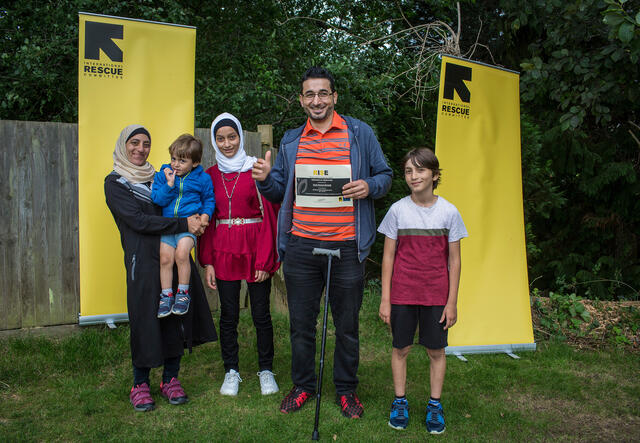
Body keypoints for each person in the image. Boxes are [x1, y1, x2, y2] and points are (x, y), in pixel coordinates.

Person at [252, 67, 392, 418]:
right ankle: (303, 386)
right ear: (301, 100)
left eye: (323, 94)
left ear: (334, 97)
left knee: (347, 325)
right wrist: (267, 179)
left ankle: (346, 390)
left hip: (347, 247)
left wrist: (369, 187)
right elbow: (279, 192)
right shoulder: (291, 140)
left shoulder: (360, 134)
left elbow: (385, 176)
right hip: (301, 246)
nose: (317, 100)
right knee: (301, 323)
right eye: (309, 95)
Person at [104, 124, 217, 412]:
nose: (140, 149)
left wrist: (198, 220)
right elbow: (139, 222)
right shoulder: (115, 183)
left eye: (145, 144)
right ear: (123, 145)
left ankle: (170, 378)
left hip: (175, 255)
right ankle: (140, 383)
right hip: (141, 260)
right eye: (134, 143)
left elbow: (189, 206)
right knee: (144, 319)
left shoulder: (163, 175)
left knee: (175, 318)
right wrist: (185, 223)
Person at [377, 147, 467, 433]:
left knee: (436, 351)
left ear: (435, 175)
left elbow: (455, 260)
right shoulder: (398, 210)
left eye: (420, 170)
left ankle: (434, 406)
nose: (413, 176)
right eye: (408, 171)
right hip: (403, 294)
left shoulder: (450, 212)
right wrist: (386, 299)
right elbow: (388, 257)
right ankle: (400, 401)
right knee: (400, 348)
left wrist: (451, 302)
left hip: (436, 297)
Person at [198, 113, 281, 397]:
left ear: (241, 138)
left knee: (261, 314)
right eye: (220, 138)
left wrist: (266, 260)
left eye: (232, 137)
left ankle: (266, 370)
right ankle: (231, 370)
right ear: (214, 140)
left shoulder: (256, 169)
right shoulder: (208, 176)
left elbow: (271, 217)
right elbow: (207, 220)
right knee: (229, 315)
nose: (227, 143)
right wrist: (207, 261)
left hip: (255, 248)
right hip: (223, 250)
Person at [151, 134, 215, 317]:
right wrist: (169, 185)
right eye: (173, 159)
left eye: (182, 160)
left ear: (195, 163)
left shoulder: (202, 179)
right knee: (165, 258)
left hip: (188, 227)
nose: (176, 164)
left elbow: (209, 200)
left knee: (181, 254)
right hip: (169, 227)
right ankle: (166, 296)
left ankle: (183, 293)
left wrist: (204, 217)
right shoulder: (164, 175)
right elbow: (157, 199)